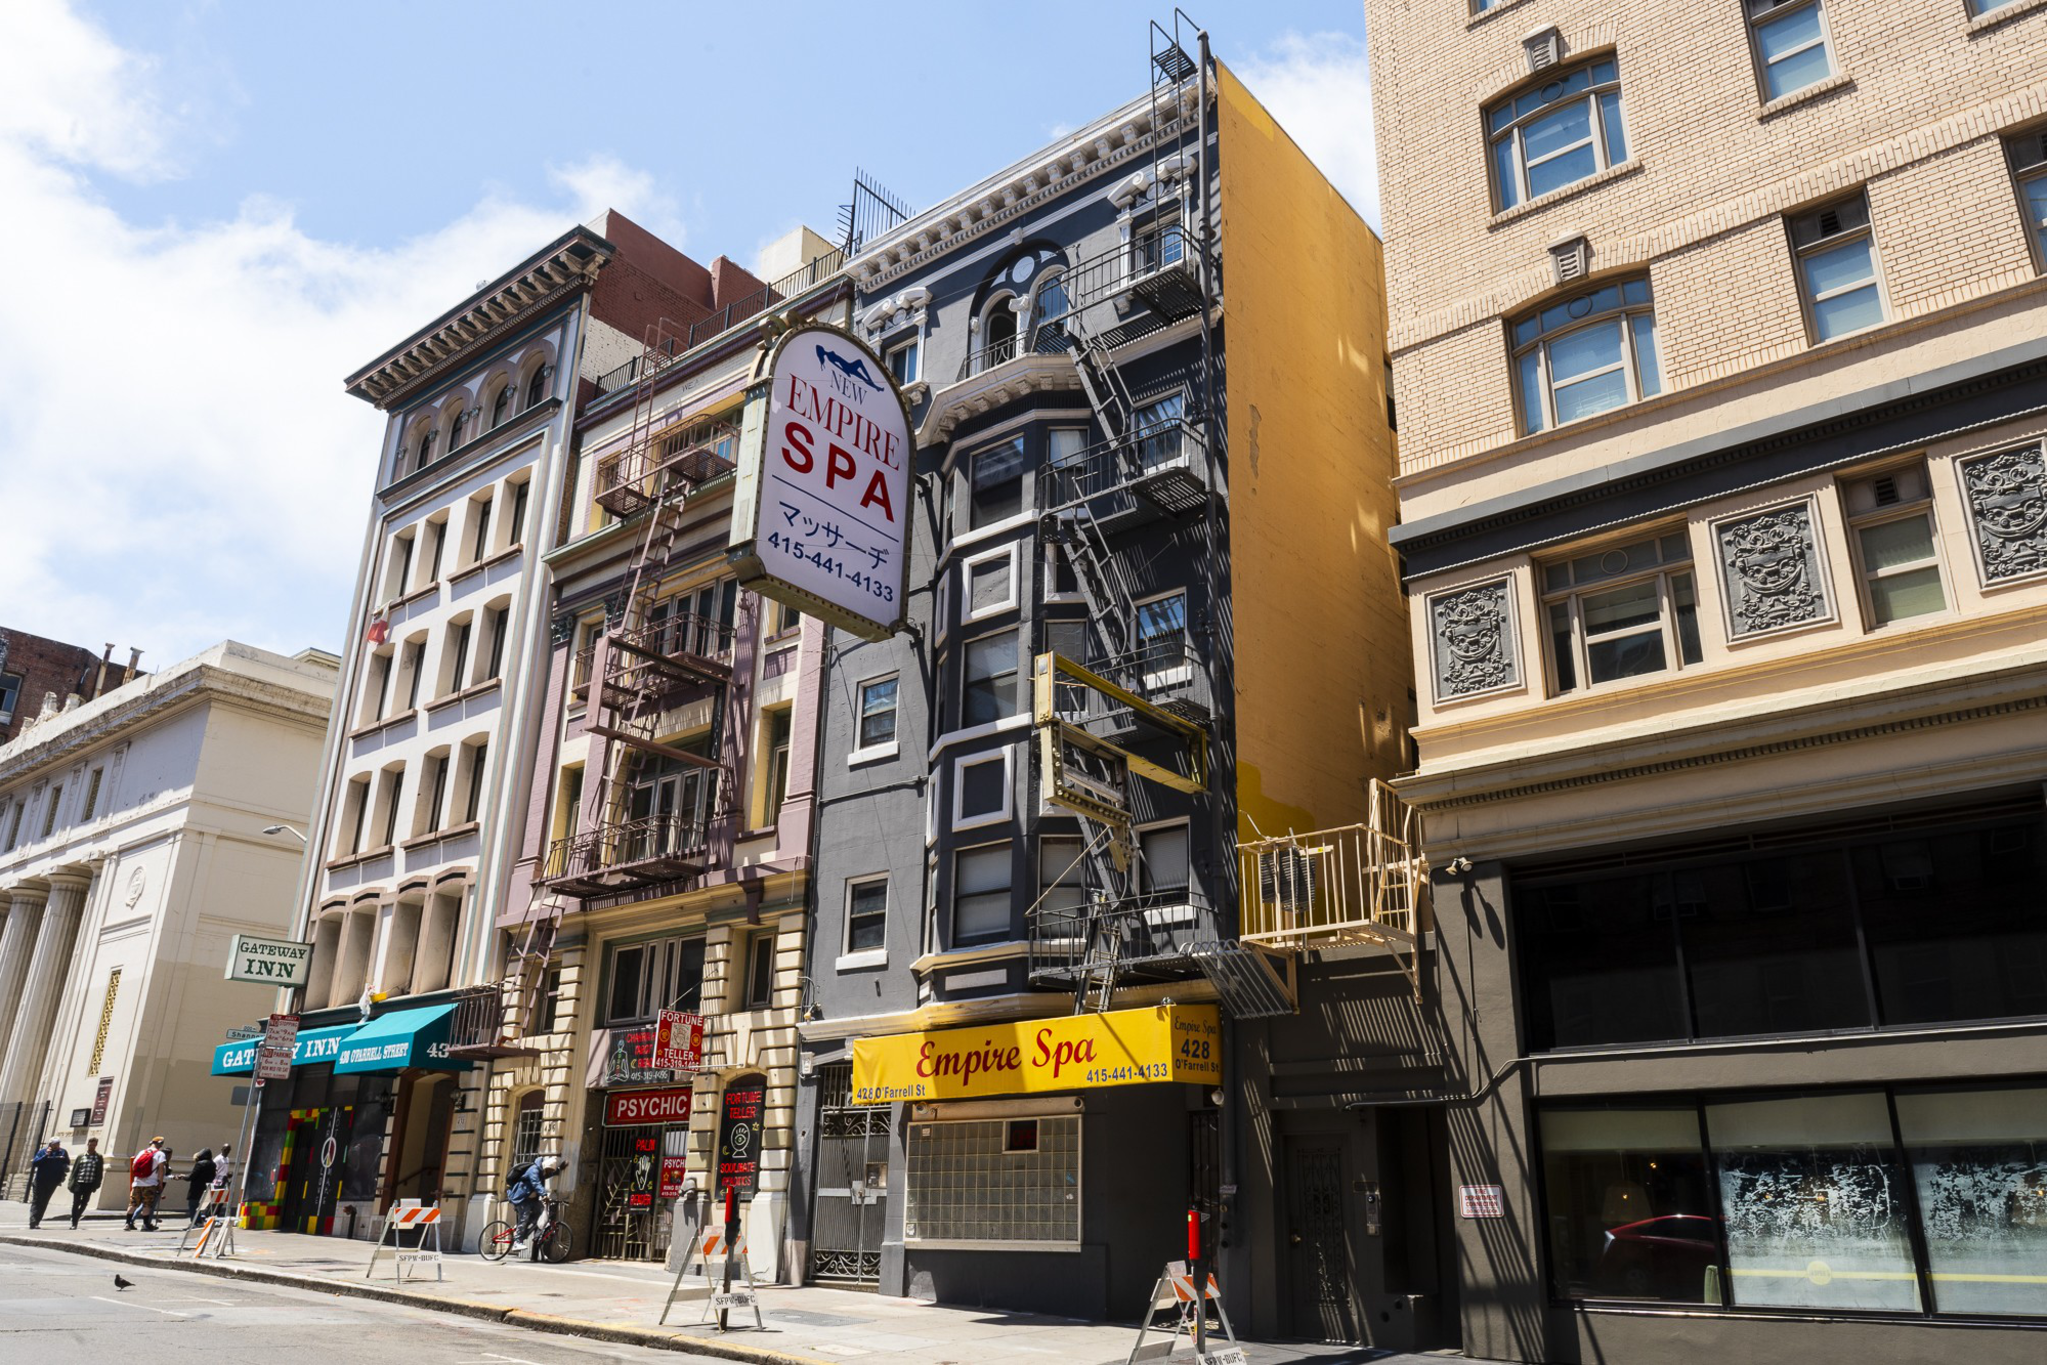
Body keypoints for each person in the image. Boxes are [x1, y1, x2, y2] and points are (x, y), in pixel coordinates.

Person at [507, 1154, 562, 1257]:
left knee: (541, 1212)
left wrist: (559, 1169)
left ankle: (521, 1229)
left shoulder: (542, 1172)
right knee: (524, 1217)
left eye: (551, 1171)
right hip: (522, 1198)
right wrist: (544, 1194)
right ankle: (517, 1242)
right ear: (545, 1167)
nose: (549, 1172)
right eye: (549, 1170)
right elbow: (536, 1183)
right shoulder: (534, 1170)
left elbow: (548, 1175)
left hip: (531, 1199)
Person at [124, 1137, 171, 1231]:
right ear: (160, 1144)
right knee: (147, 1204)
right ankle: (146, 1225)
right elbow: (161, 1169)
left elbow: (134, 1166)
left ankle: (127, 1224)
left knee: (133, 1204)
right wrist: (160, 1183)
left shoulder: (142, 1152)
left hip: (137, 1182)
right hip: (150, 1183)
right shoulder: (160, 1154)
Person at [27, 1139, 69, 1229]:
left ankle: (37, 1221)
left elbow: (67, 1162)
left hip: (53, 1181)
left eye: (58, 1144)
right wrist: (46, 1155)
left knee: (44, 1201)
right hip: (40, 1180)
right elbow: (35, 1163)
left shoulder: (63, 1152)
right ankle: (33, 1222)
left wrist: (64, 1166)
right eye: (55, 1144)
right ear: (50, 1144)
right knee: (37, 1201)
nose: (57, 1145)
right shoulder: (43, 1151)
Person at [67, 1138, 104, 1229]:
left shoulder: (98, 1157)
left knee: (84, 1202)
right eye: (90, 1145)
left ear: (96, 1145)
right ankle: (74, 1222)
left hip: (89, 1183)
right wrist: (71, 1182)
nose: (92, 1146)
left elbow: (99, 1171)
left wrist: (97, 1183)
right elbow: (75, 1170)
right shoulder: (81, 1156)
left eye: (94, 1145)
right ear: (88, 1144)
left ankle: (76, 1216)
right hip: (79, 1182)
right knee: (76, 1203)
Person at [184, 1148, 216, 1227]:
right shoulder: (213, 1164)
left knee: (193, 1205)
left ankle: (195, 1222)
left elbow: (192, 1176)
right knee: (201, 1206)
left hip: (196, 1188)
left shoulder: (200, 1164)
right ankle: (199, 1221)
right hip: (206, 1187)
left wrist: (183, 1177)